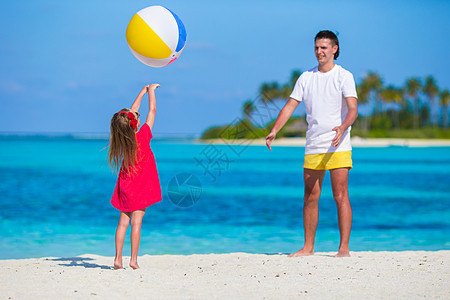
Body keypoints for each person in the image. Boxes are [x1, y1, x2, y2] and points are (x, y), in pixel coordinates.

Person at [266, 30, 358, 257]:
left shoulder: (344, 76)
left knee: (340, 195)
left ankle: (343, 248)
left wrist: (343, 126)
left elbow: (353, 109)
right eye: (317, 47)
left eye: (324, 47)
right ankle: (308, 247)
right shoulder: (306, 77)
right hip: (314, 144)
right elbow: (289, 106)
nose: (319, 52)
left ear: (335, 49)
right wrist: (275, 130)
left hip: (338, 144)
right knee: (310, 196)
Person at [108, 83, 162, 269]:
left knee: (123, 223)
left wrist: (142, 91)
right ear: (136, 122)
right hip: (141, 186)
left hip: (126, 184)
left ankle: (117, 258)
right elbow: (152, 110)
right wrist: (151, 92)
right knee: (136, 224)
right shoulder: (144, 134)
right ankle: (133, 260)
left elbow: (129, 115)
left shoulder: (123, 140)